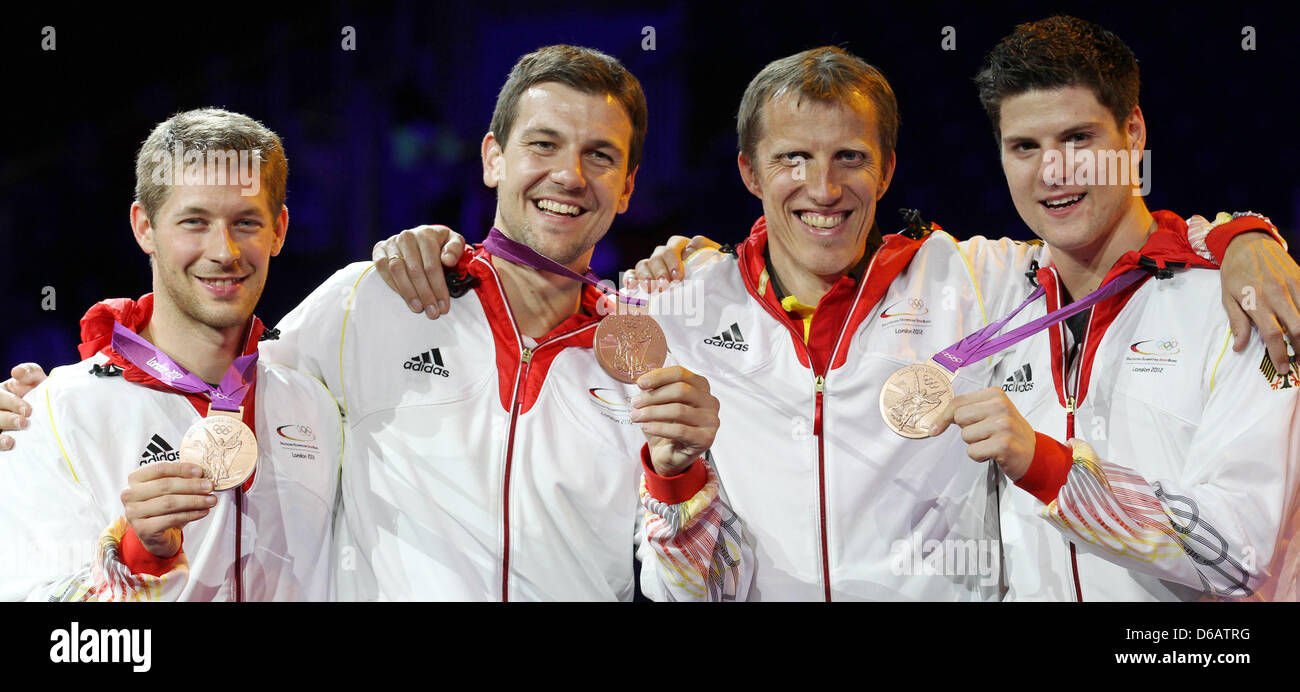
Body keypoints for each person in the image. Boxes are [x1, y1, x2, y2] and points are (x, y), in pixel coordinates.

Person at [361, 45, 1297, 600]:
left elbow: (1127, 244)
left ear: (887, 171)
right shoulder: (672, 311)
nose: (822, 187)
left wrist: (1247, 237)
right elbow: (687, 584)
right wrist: (443, 248)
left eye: (850, 157)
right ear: (749, 175)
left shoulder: (981, 283)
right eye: (793, 159)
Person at [0, 46, 746, 601]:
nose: (569, 175)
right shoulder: (375, 298)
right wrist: (59, 392)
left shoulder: (657, 355)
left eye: (600, 156)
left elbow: (699, 589)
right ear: (492, 157)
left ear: (628, 188)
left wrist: (678, 476)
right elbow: (215, 365)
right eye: (543, 144)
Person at [926, 15, 1299, 601]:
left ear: (1132, 133)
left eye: (1078, 139)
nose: (1053, 171)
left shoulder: (1239, 305)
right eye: (1025, 146)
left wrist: (1047, 467)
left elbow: (1238, 552)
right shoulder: (994, 298)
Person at [0, 108, 342, 601]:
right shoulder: (54, 414)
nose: (223, 251)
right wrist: (136, 558)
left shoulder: (316, 409)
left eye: (246, 221)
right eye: (194, 222)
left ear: (279, 230)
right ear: (144, 227)